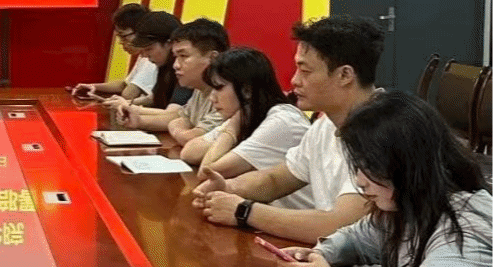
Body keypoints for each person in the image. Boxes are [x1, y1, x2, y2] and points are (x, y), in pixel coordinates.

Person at [278, 91, 493, 267]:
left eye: (369, 167)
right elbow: (356, 238)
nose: (360, 181)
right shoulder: (410, 203)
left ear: (407, 163)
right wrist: (319, 254)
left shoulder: (470, 222)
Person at [192, 16, 382, 244]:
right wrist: (228, 187)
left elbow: (339, 226)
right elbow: (276, 179)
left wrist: (244, 211)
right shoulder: (324, 126)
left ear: (345, 75)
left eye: (305, 71)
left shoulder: (384, 133)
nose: (294, 80)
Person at [180, 46, 309, 173]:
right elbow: (188, 152)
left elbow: (208, 171)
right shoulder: (245, 114)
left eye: (219, 88)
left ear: (247, 90)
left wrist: (230, 131)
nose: (212, 98)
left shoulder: (281, 121)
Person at [118, 16, 227, 136]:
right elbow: (179, 119)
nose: (176, 65)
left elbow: (192, 137)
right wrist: (138, 121)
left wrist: (179, 129)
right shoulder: (199, 89)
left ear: (213, 58)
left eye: (184, 56)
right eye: (175, 57)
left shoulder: (227, 94)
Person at [71, 3, 156, 106]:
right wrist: (92, 86)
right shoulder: (143, 55)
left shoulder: (153, 57)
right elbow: (124, 85)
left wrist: (107, 99)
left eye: (123, 36)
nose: (120, 42)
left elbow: (129, 94)